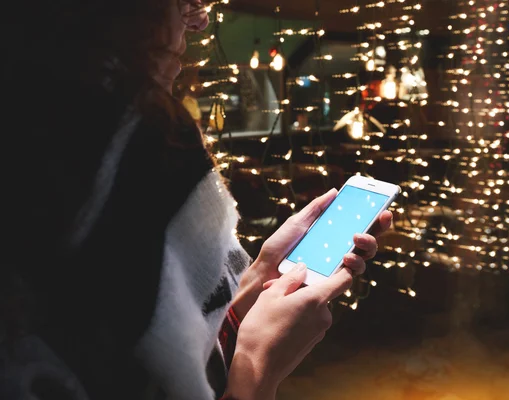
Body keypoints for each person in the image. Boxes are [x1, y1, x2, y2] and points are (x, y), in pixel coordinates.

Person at [1, 1, 393, 399]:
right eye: (181, 2)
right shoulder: (122, 151)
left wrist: (256, 281)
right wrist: (257, 369)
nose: (201, 19)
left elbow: (142, 330)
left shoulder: (58, 134)